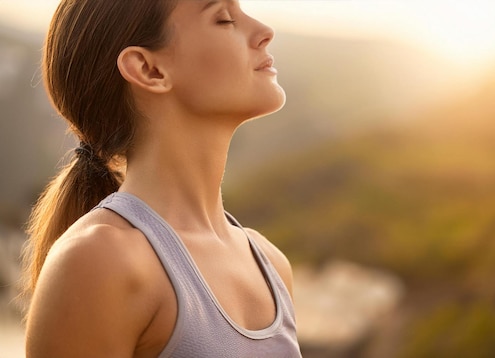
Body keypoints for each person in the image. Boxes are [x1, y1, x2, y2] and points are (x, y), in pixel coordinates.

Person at [21, 0, 301, 356]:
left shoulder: (270, 263)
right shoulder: (99, 261)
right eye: (224, 18)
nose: (265, 32)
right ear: (149, 69)